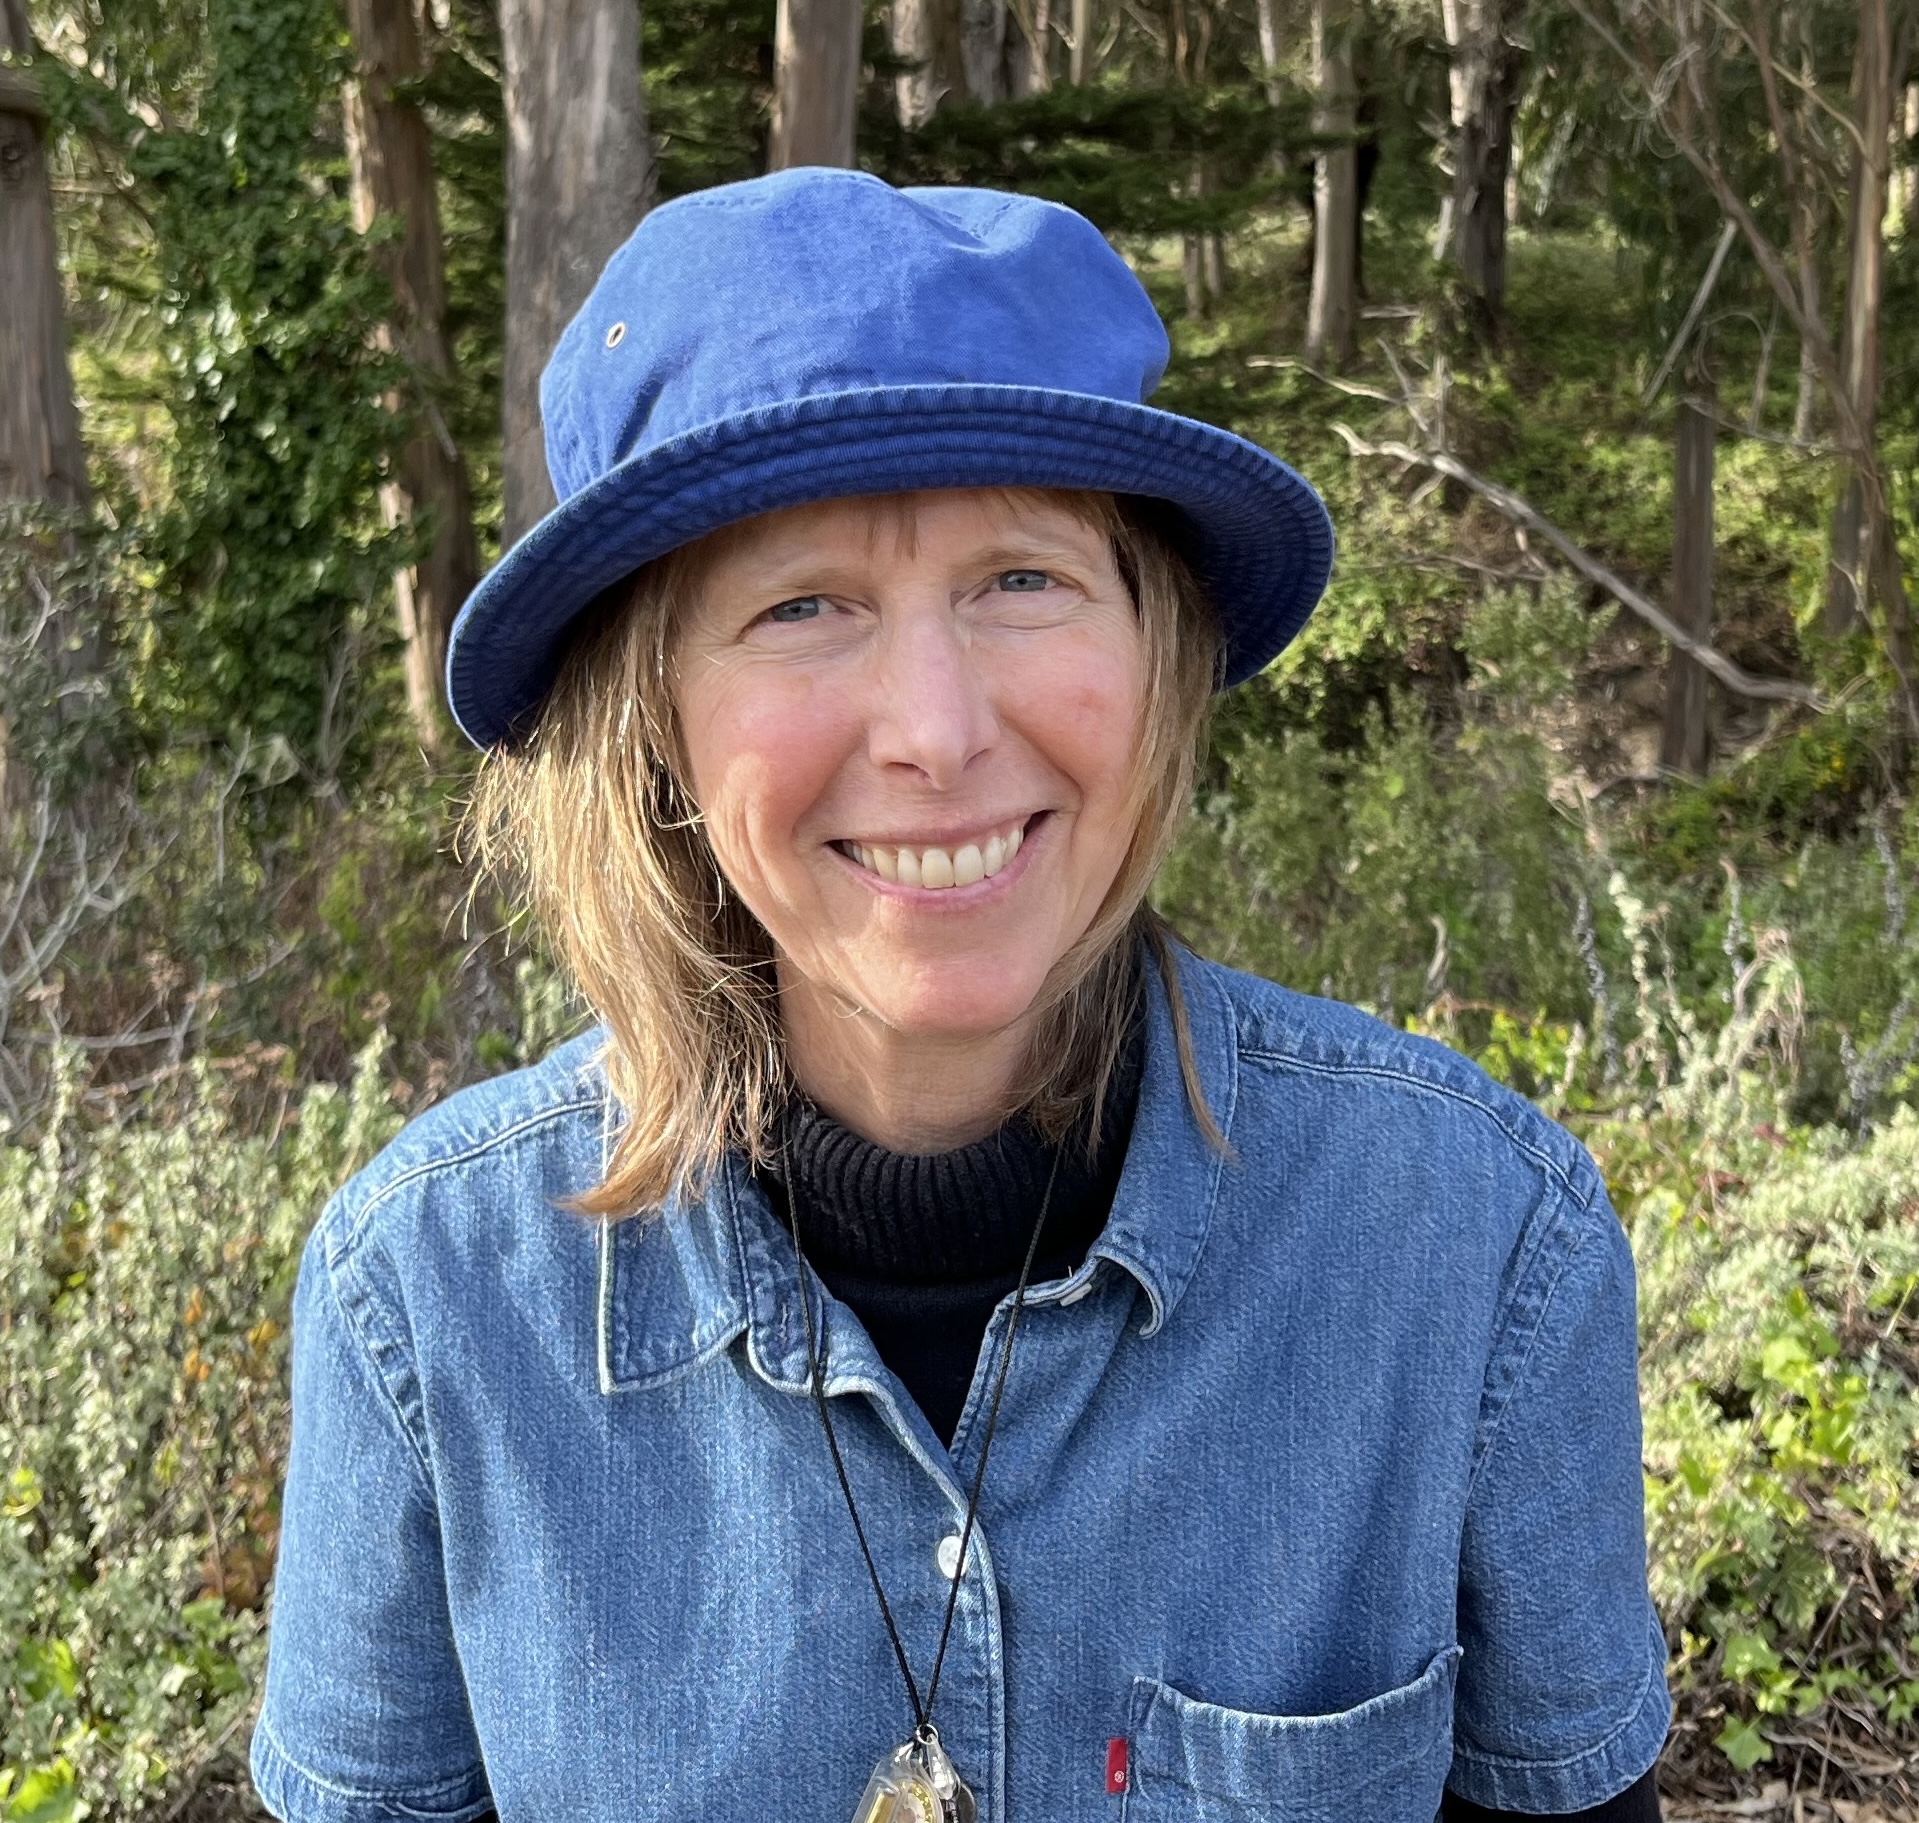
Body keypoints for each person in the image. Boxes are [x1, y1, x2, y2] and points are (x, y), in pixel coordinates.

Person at [251, 170, 1670, 1823]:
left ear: (1157, 650)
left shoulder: (1481, 1253)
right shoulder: (424, 1309)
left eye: (1021, 579)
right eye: (802, 606)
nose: (934, 728)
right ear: (652, 727)